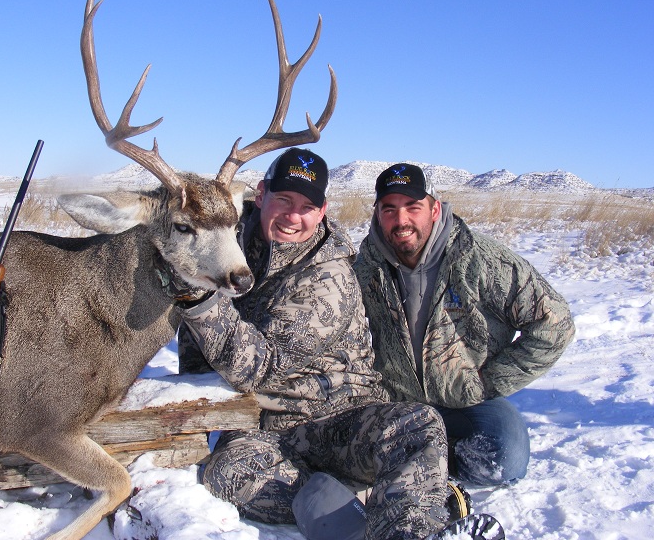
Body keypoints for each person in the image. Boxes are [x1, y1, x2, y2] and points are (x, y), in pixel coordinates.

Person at [165, 149, 502, 539]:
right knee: (227, 472)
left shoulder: (329, 275)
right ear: (261, 195)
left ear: (322, 211)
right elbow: (198, 358)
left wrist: (199, 299)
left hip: (339, 422)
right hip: (265, 430)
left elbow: (259, 367)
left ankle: (412, 529)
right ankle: (372, 508)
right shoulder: (226, 244)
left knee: (417, 425)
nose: (294, 216)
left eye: (307, 206)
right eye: (284, 200)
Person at [354, 163, 576, 487]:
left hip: (467, 401)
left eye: (412, 207)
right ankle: (420, 467)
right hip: (394, 402)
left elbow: (554, 324)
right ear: (377, 213)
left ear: (434, 209)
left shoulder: (481, 259)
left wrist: (487, 381)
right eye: (390, 209)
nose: (401, 220)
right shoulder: (364, 269)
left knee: (504, 458)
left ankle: (437, 469)